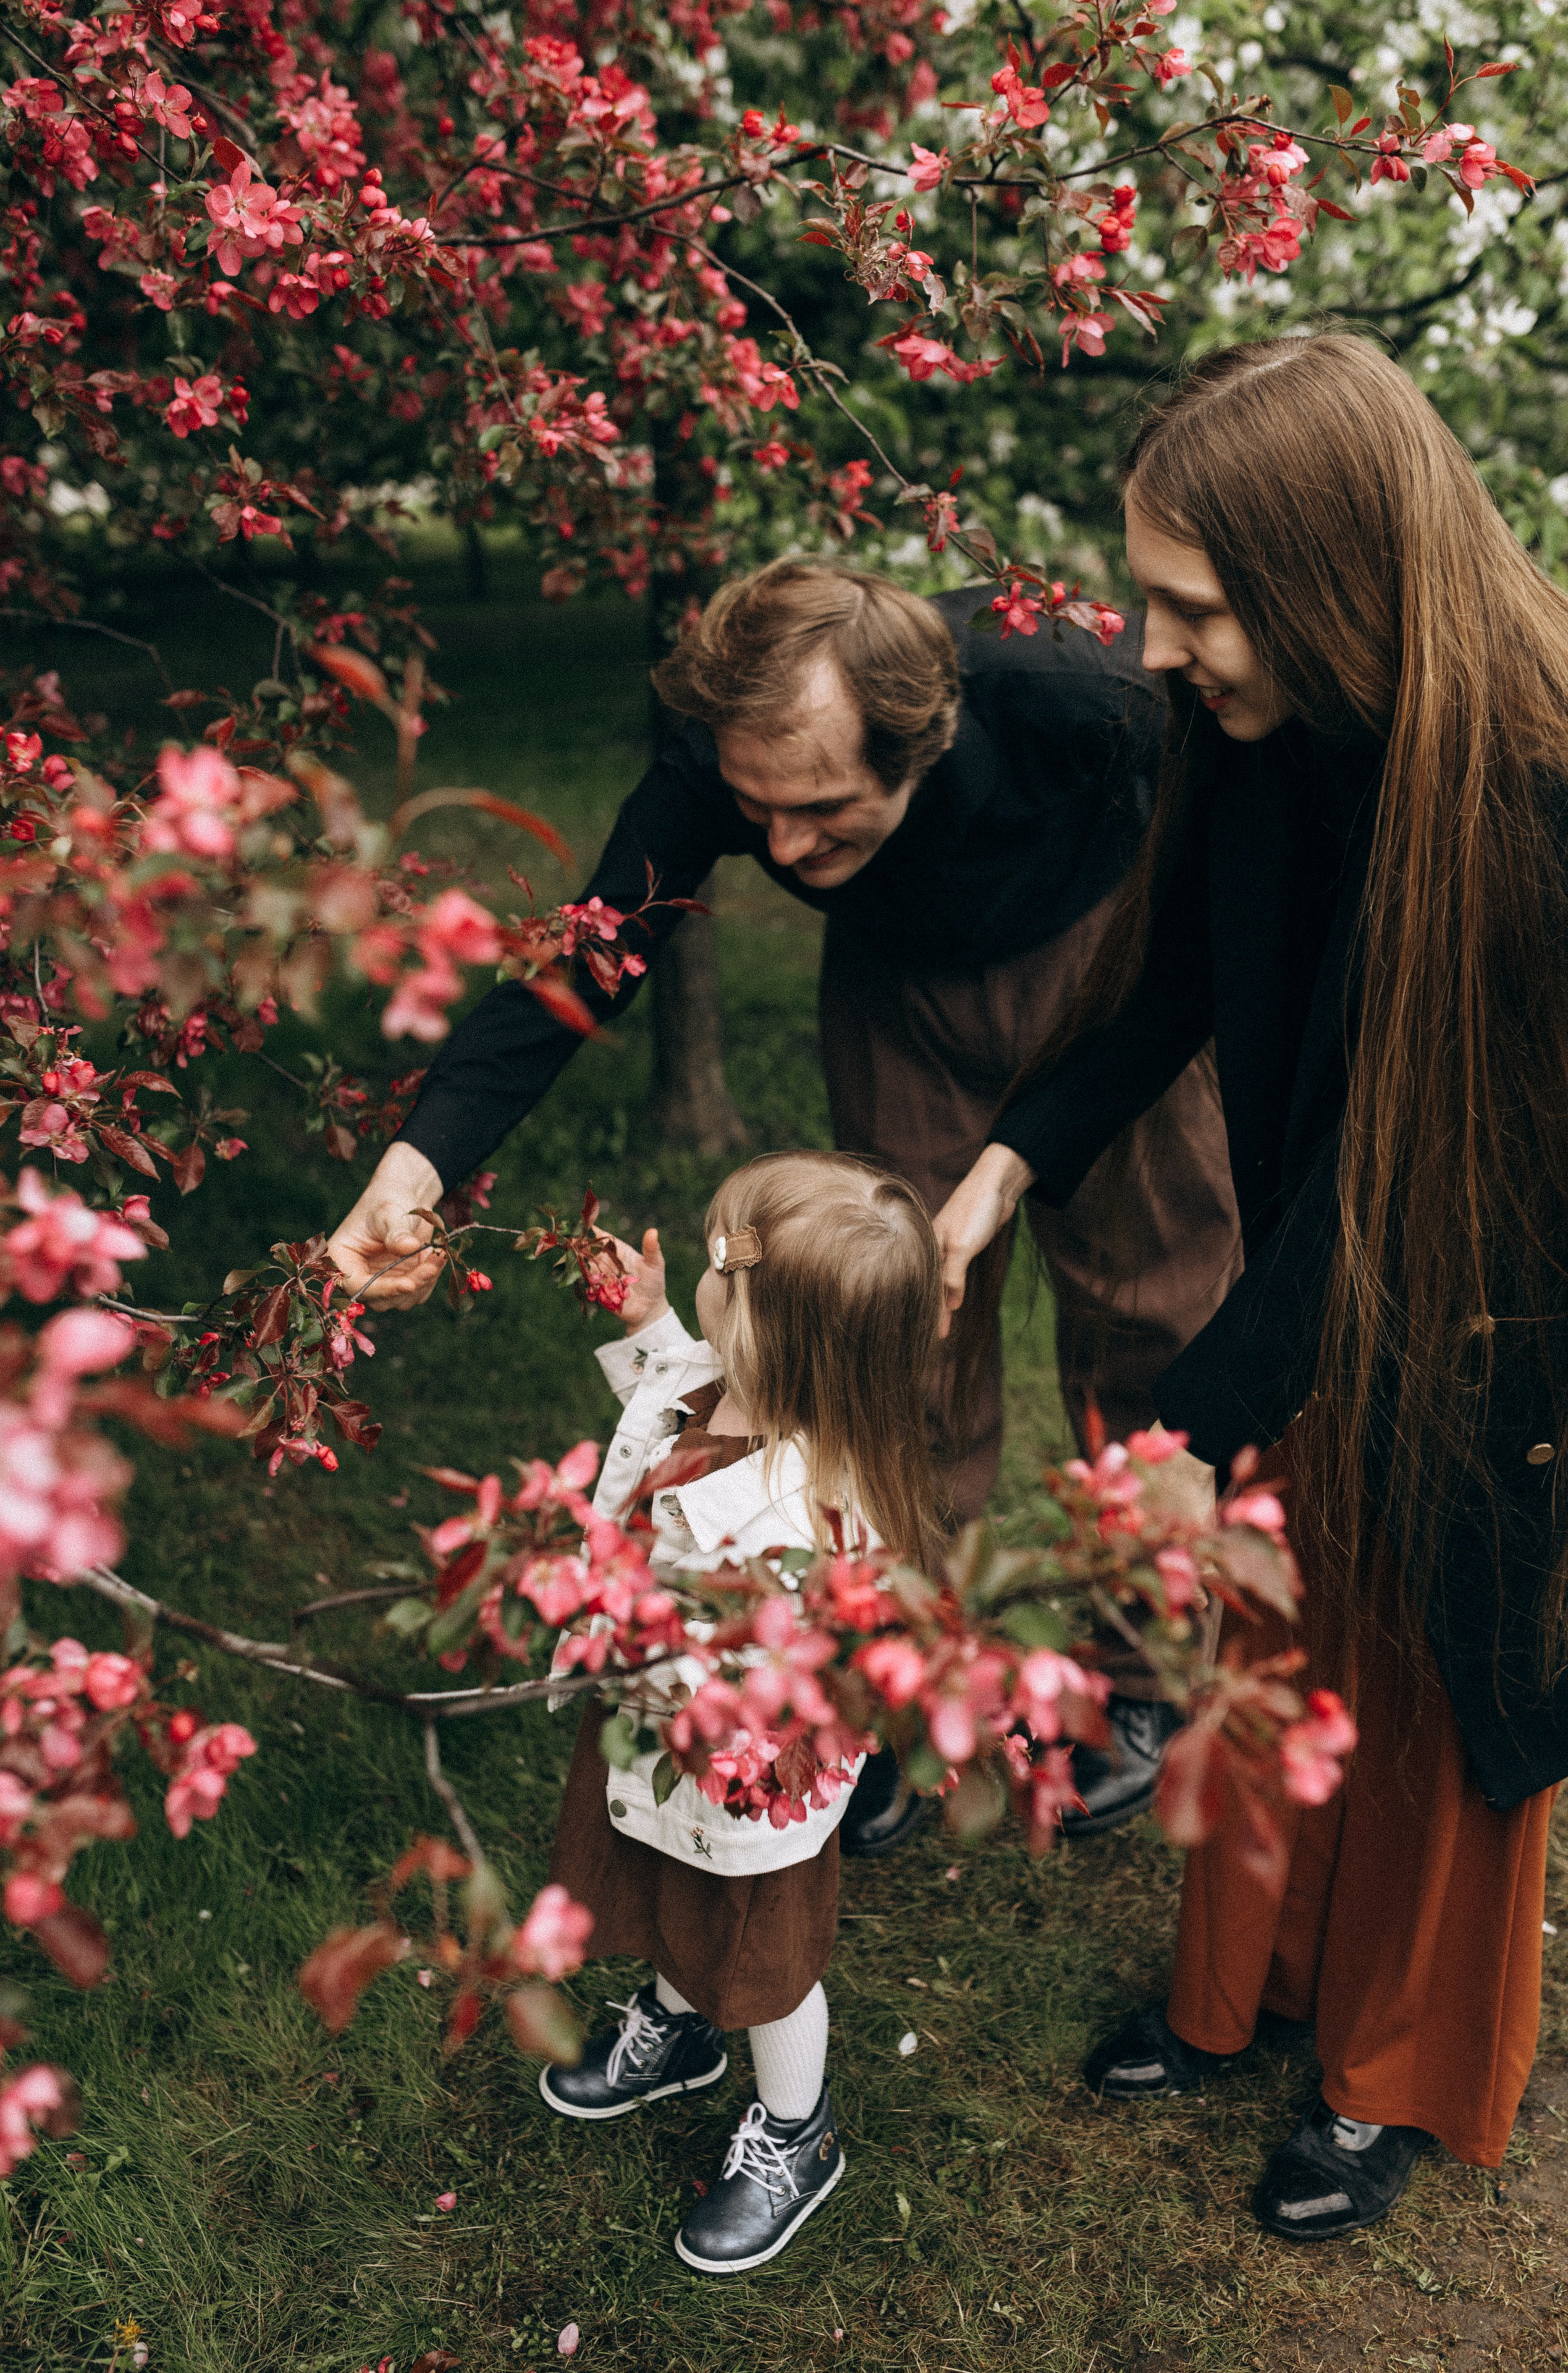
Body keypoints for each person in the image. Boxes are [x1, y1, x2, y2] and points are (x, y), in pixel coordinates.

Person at [934, 331, 1568, 2240]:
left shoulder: (1537, 802)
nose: (1146, 646)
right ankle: (1244, 1996)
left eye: (1187, 604)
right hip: (1321, 1271)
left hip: (1494, 1310)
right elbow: (1172, 988)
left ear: (1326, 581)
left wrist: (1199, 1414)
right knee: (1279, 1655)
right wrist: (1008, 1159)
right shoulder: (1256, 733)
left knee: (1440, 1705)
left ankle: (1389, 2073)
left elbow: (1419, 1182)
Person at [327, 560, 1242, 1850]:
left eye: (822, 811)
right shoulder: (725, 760)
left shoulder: (1082, 692)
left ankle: (1139, 1672)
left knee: (1147, 1314)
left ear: (919, 742)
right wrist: (414, 1168)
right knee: (883, 1338)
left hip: (1111, 965)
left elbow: (1228, 873)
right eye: (758, 814)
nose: (785, 852)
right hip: (897, 992)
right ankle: (894, 1684)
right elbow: (589, 960)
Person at [539, 1151, 941, 2274]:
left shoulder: (813, 1515)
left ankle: (795, 2133)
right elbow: (666, 1402)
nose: (706, 1273)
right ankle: (678, 2026)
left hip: (739, 1777)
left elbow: (776, 1673)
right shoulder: (719, 1379)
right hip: (648, 1735)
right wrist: (650, 1320)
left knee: (765, 1954)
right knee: (666, 1882)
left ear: (777, 1337)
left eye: (720, 1266)